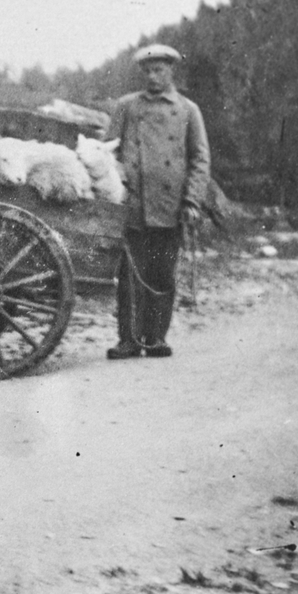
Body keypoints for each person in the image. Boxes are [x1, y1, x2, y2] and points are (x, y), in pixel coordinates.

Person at [105, 44, 211, 359]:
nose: (153, 77)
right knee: (129, 276)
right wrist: (118, 183)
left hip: (170, 206)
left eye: (159, 71)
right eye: (148, 71)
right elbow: (107, 152)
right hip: (133, 205)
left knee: (162, 274)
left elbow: (200, 159)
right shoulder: (127, 107)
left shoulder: (188, 110)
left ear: (171, 72)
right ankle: (128, 340)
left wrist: (192, 201)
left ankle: (155, 338)